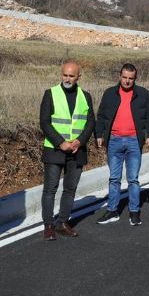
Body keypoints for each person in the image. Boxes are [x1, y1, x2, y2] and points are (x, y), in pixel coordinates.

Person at [39, 59, 95, 241]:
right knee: (50, 189)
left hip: (77, 150)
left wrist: (80, 141)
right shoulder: (51, 94)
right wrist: (60, 142)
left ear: (79, 76)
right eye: (65, 75)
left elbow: (90, 122)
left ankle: (62, 222)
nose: (67, 79)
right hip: (55, 149)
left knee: (70, 189)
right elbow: (45, 122)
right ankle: (48, 226)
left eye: (72, 76)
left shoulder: (85, 96)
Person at [95, 63, 149, 225]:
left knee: (133, 179)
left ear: (135, 78)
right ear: (119, 76)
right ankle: (112, 210)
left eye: (131, 78)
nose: (127, 81)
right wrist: (99, 134)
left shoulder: (143, 94)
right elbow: (101, 115)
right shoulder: (109, 93)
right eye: (124, 77)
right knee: (114, 178)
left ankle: (134, 211)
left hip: (134, 142)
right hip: (114, 141)